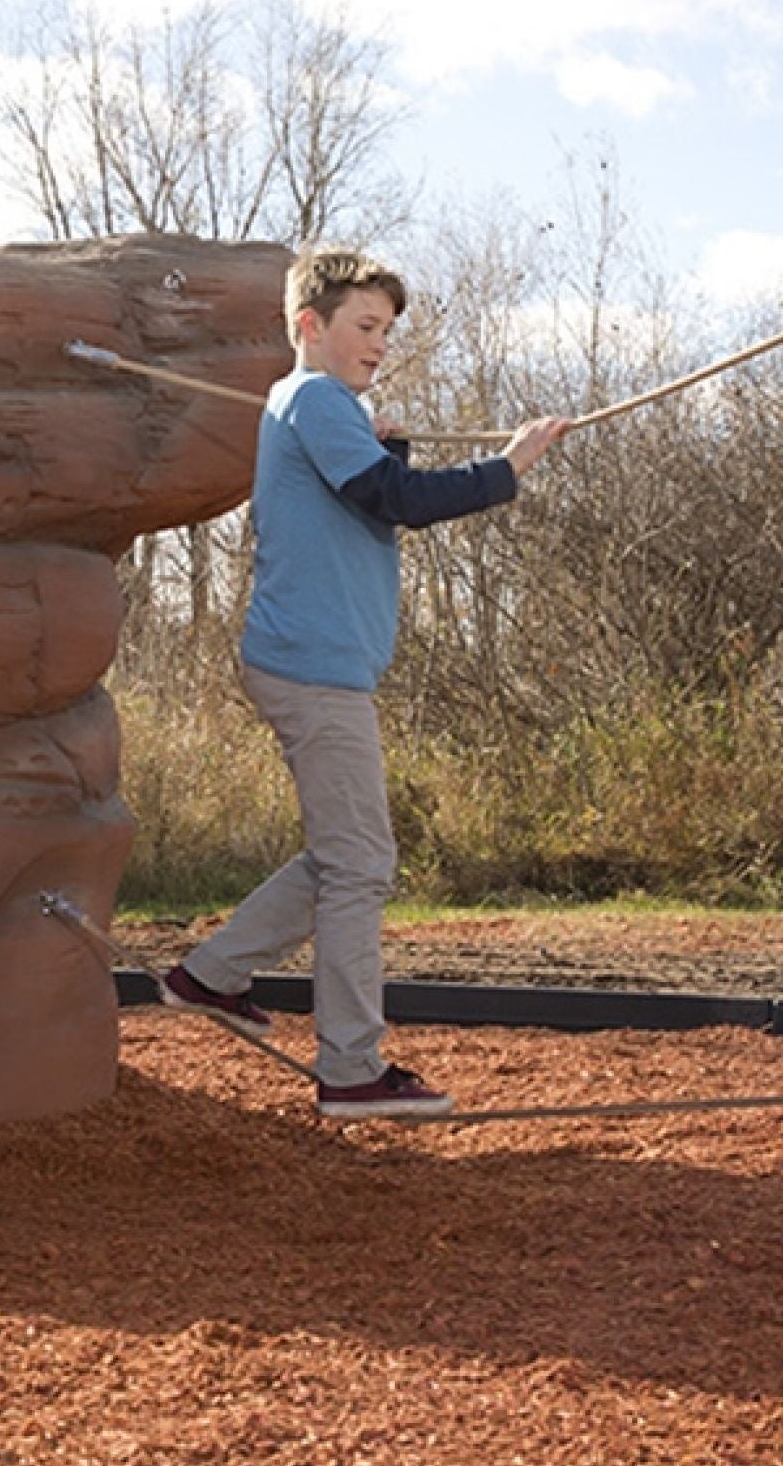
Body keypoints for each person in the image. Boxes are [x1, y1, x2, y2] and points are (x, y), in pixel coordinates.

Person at [161, 246, 571, 1119]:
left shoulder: (321, 405)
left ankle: (209, 975)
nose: (380, 344)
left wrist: (392, 447)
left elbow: (367, 492)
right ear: (310, 324)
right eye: (365, 326)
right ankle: (351, 1069)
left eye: (387, 330)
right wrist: (511, 465)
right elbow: (399, 500)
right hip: (313, 667)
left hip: (315, 662)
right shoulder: (313, 396)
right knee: (362, 864)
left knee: (343, 855)